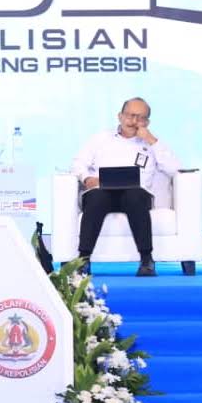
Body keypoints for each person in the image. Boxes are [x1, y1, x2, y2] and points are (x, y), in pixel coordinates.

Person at [70, 97, 180, 277]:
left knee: (134, 195)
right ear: (120, 116)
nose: (134, 121)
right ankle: (83, 260)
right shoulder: (101, 138)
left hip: (136, 196)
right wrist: (87, 178)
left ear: (147, 122)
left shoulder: (152, 144)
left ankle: (146, 260)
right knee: (96, 197)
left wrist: (151, 140)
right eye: (130, 115)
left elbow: (174, 168)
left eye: (140, 117)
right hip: (101, 191)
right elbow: (78, 163)